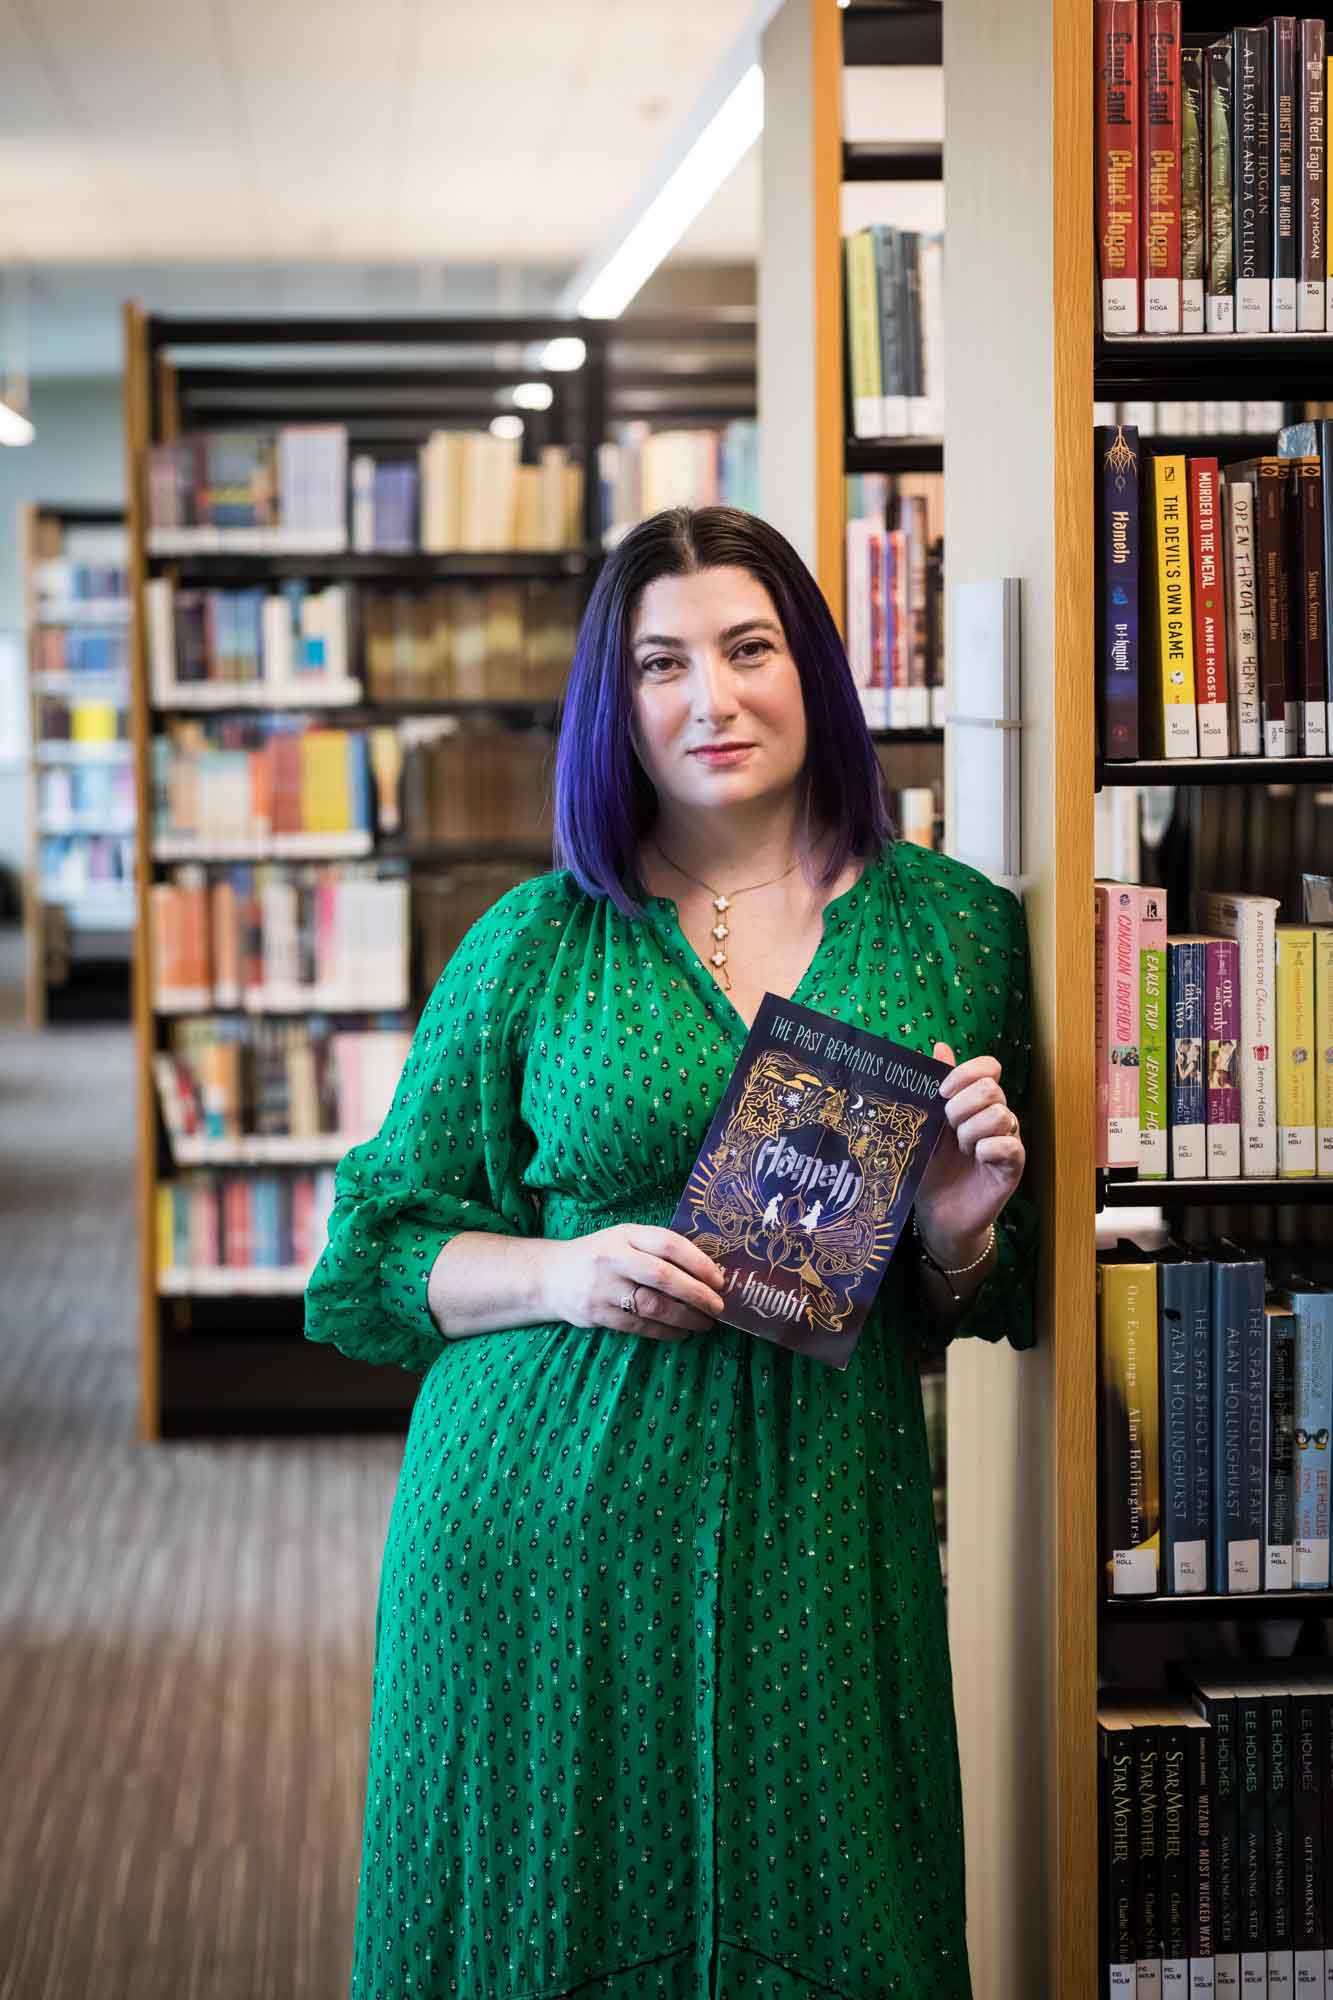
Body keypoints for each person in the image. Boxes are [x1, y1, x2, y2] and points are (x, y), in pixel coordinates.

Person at [305, 505, 1037, 2000]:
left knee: (840, 1920)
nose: (710, 697)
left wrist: (957, 1236)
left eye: (748, 647)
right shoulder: (533, 941)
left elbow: (987, 1295)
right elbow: (373, 1253)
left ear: (812, 670)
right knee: (544, 1932)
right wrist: (558, 1276)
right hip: (537, 1535)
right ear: (613, 707)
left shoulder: (952, 932)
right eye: (660, 664)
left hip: (820, 1539)